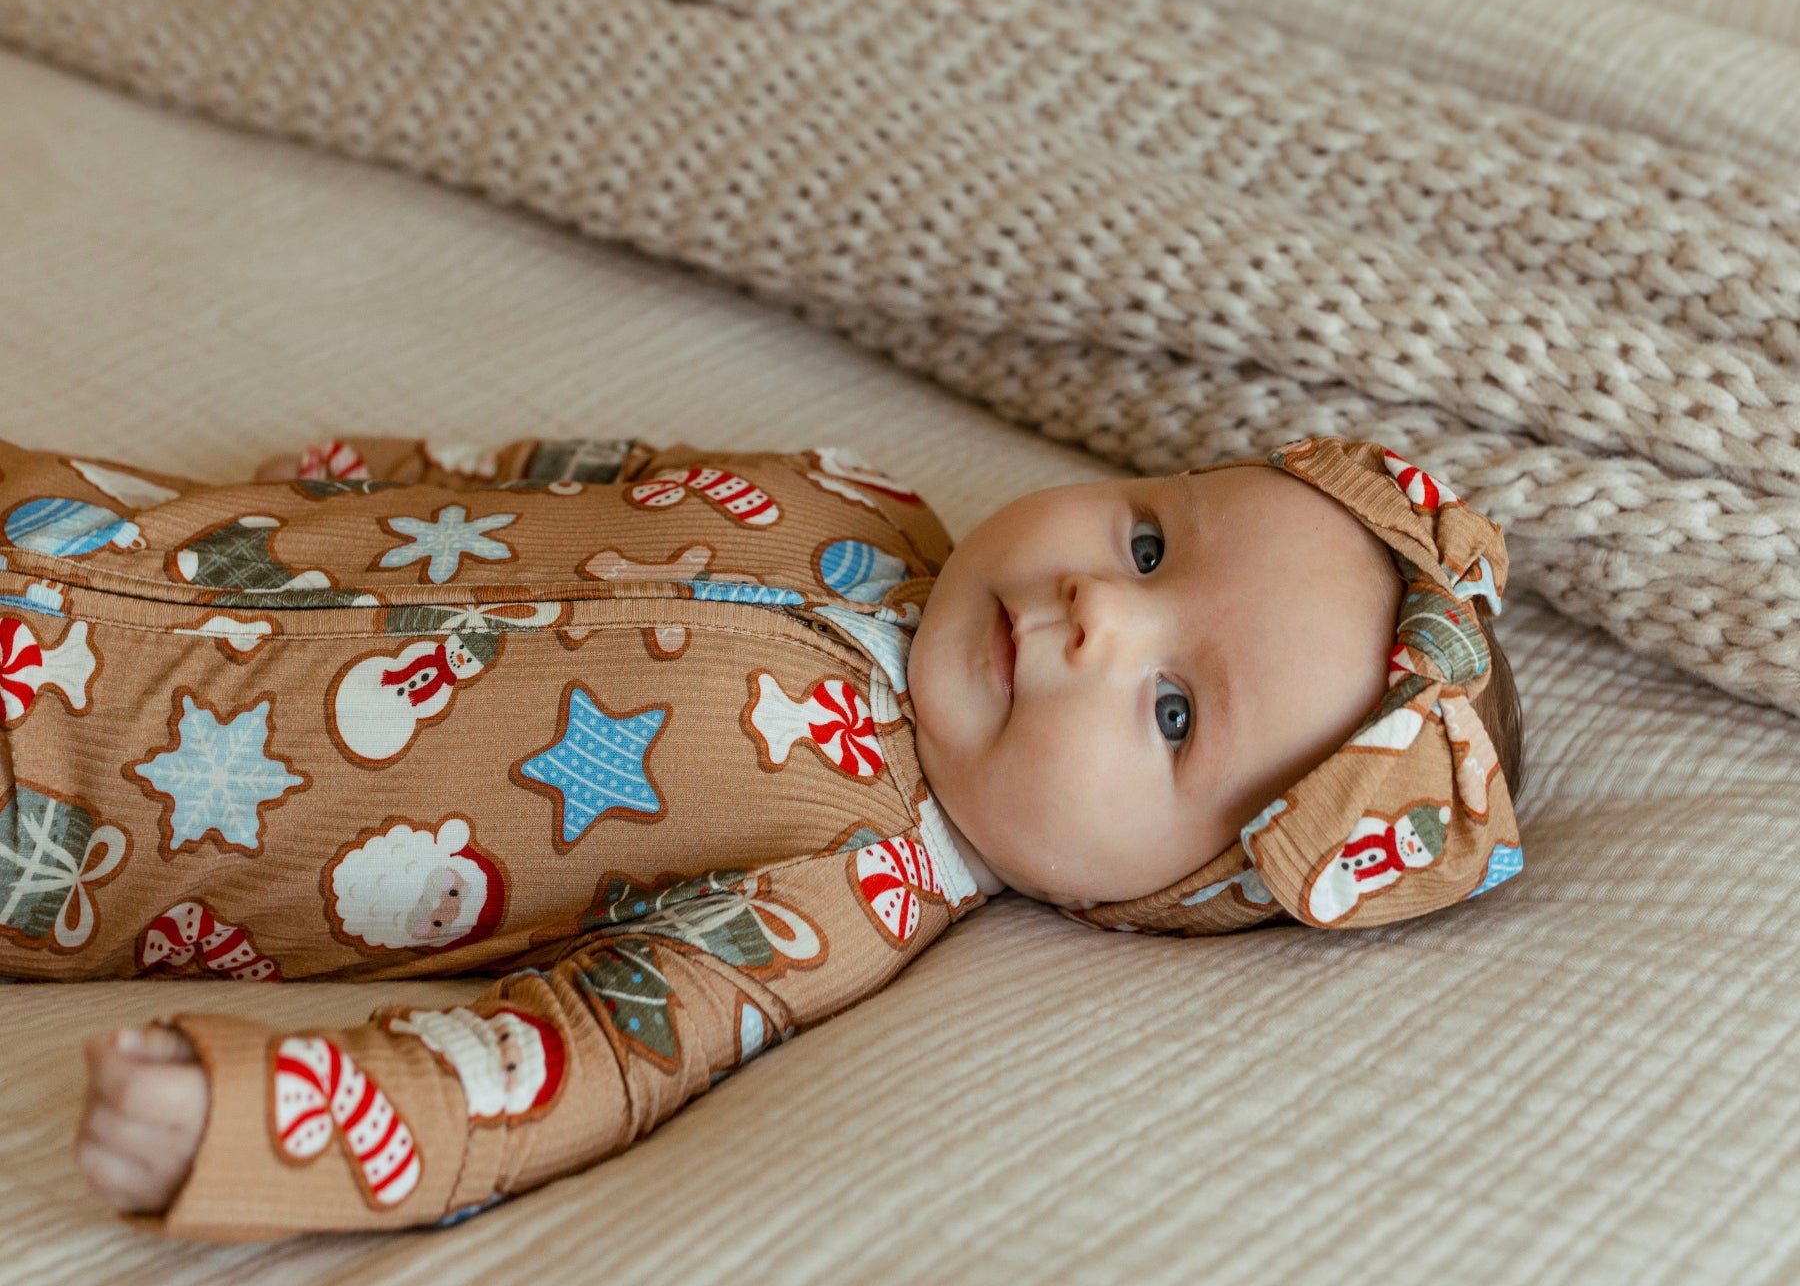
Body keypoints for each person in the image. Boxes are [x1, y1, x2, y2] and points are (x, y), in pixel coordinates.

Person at [0, 430, 1522, 1238]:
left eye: (1176, 713)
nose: (1101, 611)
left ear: (1167, 897)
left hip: (58, 803)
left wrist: (279, 1131)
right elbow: (567, 474)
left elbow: (578, 1064)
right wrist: (348, 472)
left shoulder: (835, 891)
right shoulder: (853, 497)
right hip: (71, 518)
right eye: (1147, 540)